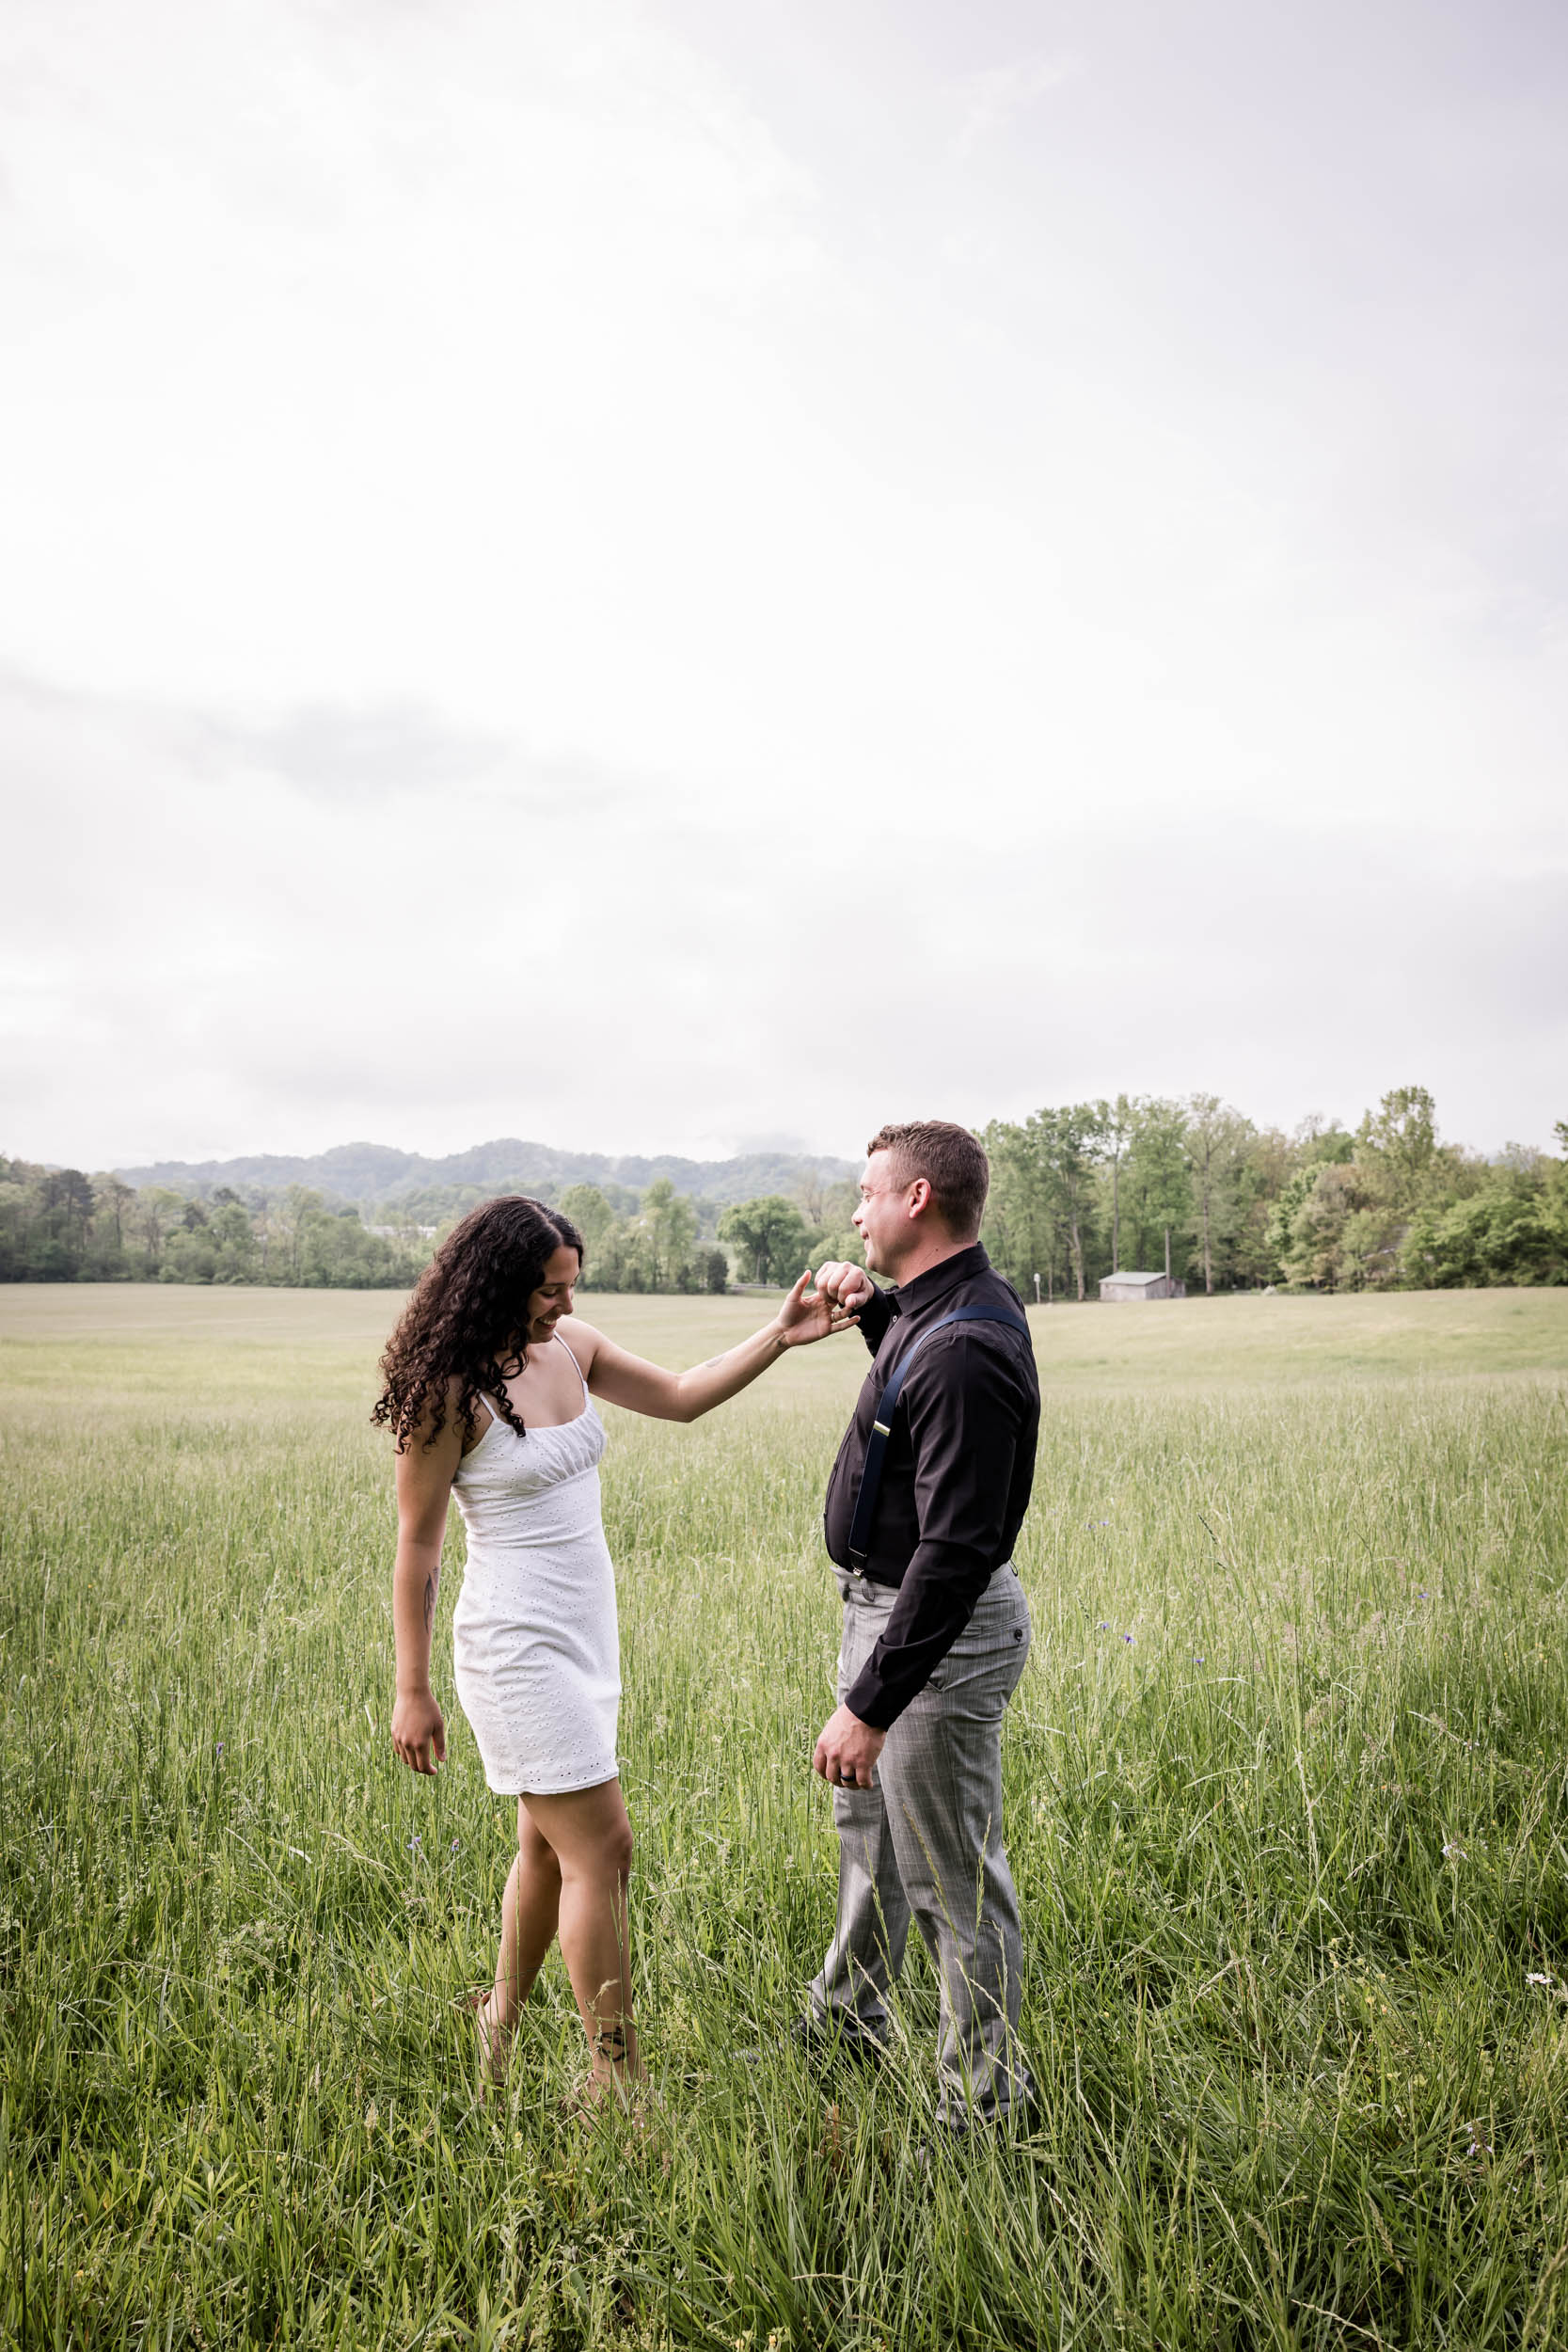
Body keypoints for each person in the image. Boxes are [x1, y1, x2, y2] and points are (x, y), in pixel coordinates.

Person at [374, 1194, 855, 2106]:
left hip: (585, 1633)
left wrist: (777, 1336)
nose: (561, 1302)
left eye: (568, 1287)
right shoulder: (446, 1390)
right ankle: (613, 2076)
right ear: (495, 1284)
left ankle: (497, 2021)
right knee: (605, 1849)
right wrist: (411, 1685)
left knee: (548, 1853)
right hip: (513, 1648)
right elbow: (417, 1549)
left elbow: (678, 1397)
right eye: (547, 1289)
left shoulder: (570, 1348)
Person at [806, 1120, 1041, 2133]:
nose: (853, 1209)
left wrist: (867, 1706)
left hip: (929, 1637)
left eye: (866, 1191)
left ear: (915, 1201)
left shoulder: (963, 1349)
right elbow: (915, 1390)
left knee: (952, 1880)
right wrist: (874, 1313)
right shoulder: (939, 1308)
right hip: (892, 1618)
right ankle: (847, 2020)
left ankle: (983, 2104)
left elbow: (951, 1553)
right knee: (874, 1845)